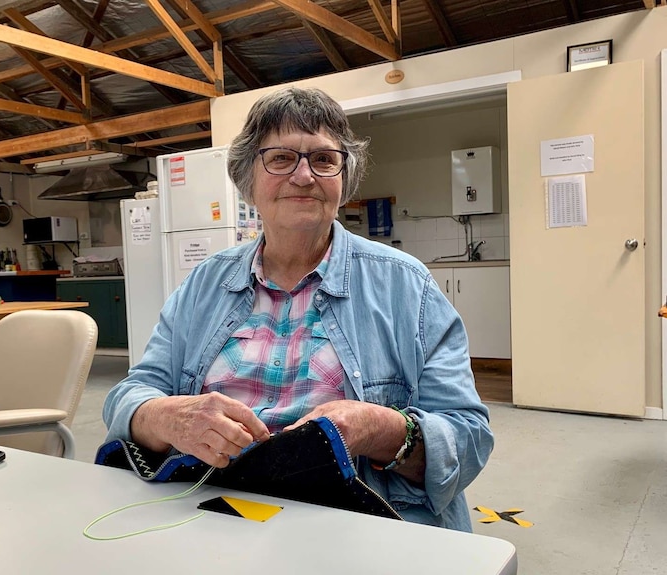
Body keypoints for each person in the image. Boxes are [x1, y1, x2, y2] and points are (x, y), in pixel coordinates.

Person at [103, 86, 493, 531]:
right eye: (281, 158)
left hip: (357, 524)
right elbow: (130, 396)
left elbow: (468, 438)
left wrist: (373, 427)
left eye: (324, 160)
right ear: (247, 179)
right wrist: (170, 418)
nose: (304, 176)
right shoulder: (203, 284)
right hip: (206, 513)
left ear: (344, 180)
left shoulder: (407, 285)